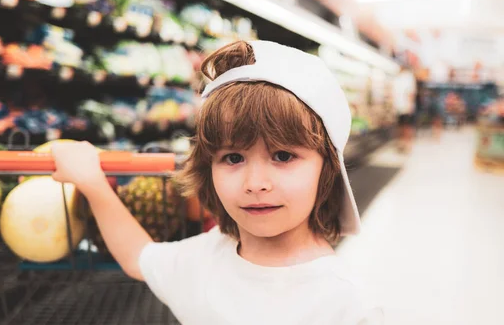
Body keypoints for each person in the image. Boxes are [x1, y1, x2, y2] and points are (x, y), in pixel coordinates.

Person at [51, 40, 383, 325]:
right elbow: (139, 257)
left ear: (327, 169)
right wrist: (92, 183)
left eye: (283, 156)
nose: (255, 183)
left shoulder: (346, 304)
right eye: (233, 158)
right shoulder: (205, 256)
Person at [392, 66, 417, 152]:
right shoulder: (409, 78)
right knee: (407, 126)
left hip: (398, 106)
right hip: (405, 106)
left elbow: (394, 94)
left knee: (401, 126)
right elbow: (410, 93)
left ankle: (402, 144)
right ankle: (407, 144)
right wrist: (410, 106)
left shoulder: (397, 78)